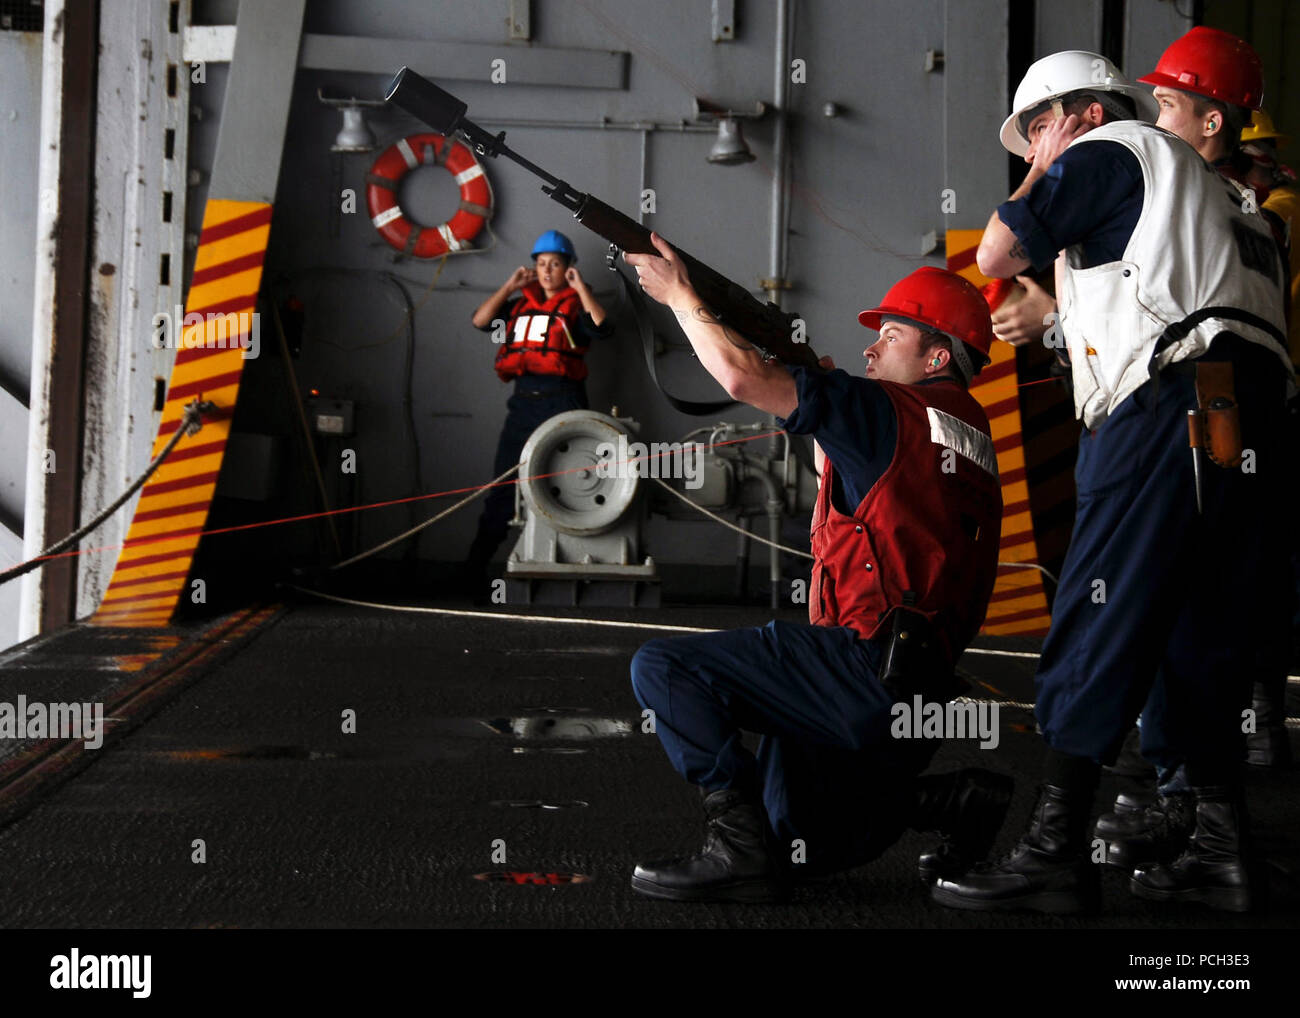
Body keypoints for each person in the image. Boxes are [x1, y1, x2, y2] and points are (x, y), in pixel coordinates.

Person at [932, 39, 1293, 916]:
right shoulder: (1235, 202)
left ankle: (1056, 845)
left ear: (1086, 114)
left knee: (1099, 611)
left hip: (1164, 416)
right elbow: (1165, 294)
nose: (1036, 150)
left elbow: (998, 252)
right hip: (1244, 424)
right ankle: (1219, 848)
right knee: (1199, 629)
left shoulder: (1114, 147)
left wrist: (1035, 183)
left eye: (1042, 129)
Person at [621, 245, 1007, 902]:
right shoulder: (966, 432)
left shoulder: (885, 410)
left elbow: (741, 380)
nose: (870, 351)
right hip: (921, 692)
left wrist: (680, 296)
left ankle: (736, 850)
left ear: (937, 356)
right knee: (801, 840)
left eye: (891, 335)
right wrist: (822, 397)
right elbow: (882, 498)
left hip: (858, 669)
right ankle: (947, 801)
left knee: (663, 669)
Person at [464, 231, 611, 591]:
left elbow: (603, 326)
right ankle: (471, 573)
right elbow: (480, 321)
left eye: (556, 264)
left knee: (570, 486)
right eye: (541, 264)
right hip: (524, 403)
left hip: (563, 401)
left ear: (568, 268)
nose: (546, 271)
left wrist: (580, 289)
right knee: (503, 487)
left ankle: (575, 574)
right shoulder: (518, 306)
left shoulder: (576, 306)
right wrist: (511, 284)